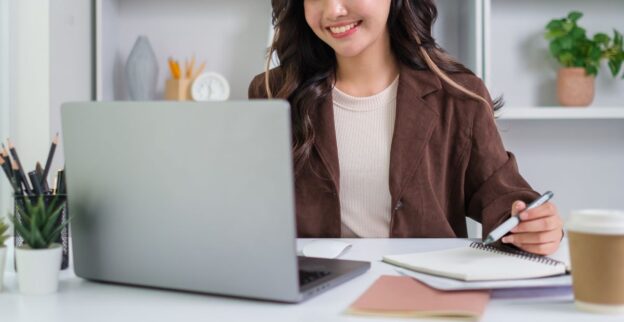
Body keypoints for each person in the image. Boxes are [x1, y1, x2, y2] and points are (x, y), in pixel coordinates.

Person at [248, 0, 563, 255]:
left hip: (423, 290)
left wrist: (534, 225)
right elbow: (252, 205)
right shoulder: (273, 94)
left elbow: (502, 194)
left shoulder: (458, 94)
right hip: (313, 298)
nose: (332, 10)